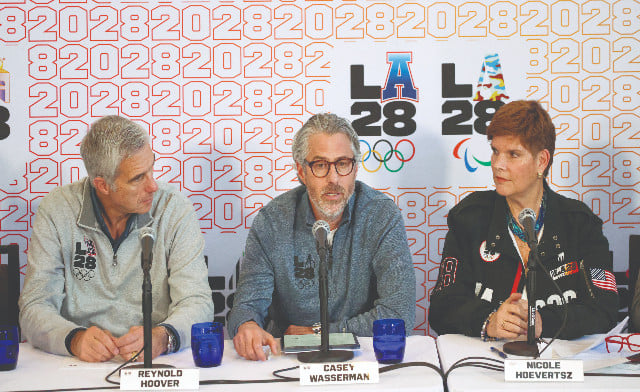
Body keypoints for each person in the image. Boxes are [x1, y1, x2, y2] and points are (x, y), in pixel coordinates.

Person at [19, 116, 213, 362]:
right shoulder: (57, 210)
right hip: (76, 363)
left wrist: (164, 337)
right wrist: (73, 339)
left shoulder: (174, 208)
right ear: (102, 185)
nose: (153, 185)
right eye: (137, 178)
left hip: (156, 361)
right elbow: (34, 306)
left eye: (151, 168)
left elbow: (198, 301)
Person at [227, 113, 415, 361]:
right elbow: (247, 305)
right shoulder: (272, 221)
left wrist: (319, 333)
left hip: (362, 358)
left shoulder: (381, 215)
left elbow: (399, 313)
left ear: (355, 168)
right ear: (301, 172)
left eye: (343, 163)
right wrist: (247, 325)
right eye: (320, 165)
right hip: (289, 359)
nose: (334, 178)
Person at [429, 100, 618, 340]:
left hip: (560, 366)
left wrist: (542, 322)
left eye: (513, 154)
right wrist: (488, 321)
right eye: (495, 150)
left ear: (541, 161)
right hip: (485, 368)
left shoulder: (579, 223)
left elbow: (605, 309)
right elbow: (441, 308)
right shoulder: (470, 218)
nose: (497, 164)